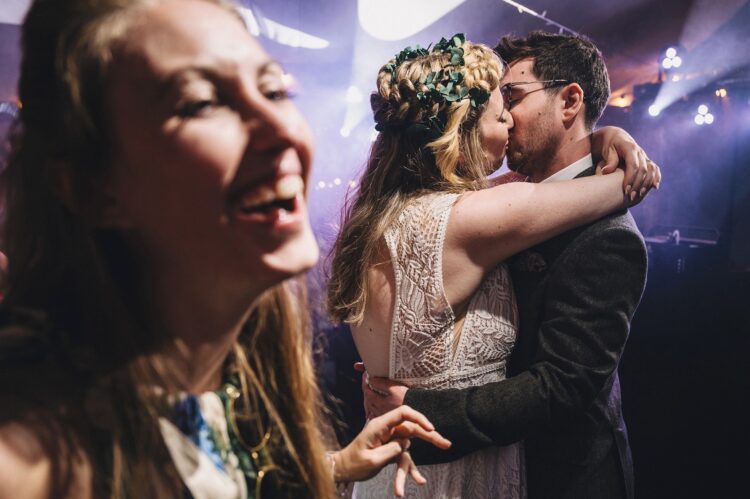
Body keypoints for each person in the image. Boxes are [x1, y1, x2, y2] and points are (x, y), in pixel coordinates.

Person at [0, 1, 452, 498]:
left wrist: (335, 465)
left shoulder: (238, 376)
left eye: (275, 90)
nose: (282, 129)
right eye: (200, 103)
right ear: (93, 188)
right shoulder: (30, 466)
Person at [328, 34, 659, 498]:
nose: (507, 115)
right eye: (498, 103)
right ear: (461, 127)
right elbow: (621, 185)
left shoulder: (606, 237)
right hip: (450, 470)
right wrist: (620, 153)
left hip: (557, 476)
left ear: (569, 101)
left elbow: (563, 387)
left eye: (514, 97)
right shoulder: (481, 211)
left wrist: (604, 136)